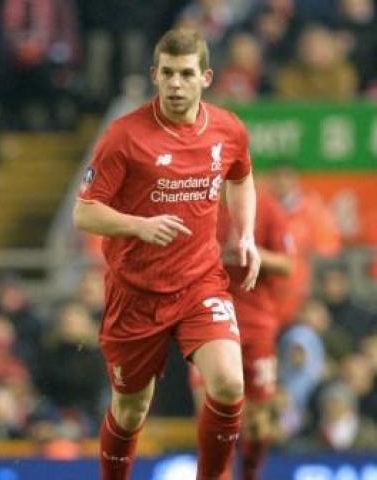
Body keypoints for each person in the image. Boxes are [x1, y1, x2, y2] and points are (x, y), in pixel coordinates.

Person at [73, 28, 261, 480]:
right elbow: (84, 213)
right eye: (168, 74)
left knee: (230, 383)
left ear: (206, 77)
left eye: (186, 74)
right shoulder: (125, 136)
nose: (176, 84)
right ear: (154, 76)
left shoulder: (228, 129)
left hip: (200, 281)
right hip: (136, 291)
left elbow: (241, 177)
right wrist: (139, 225)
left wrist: (246, 234)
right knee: (131, 409)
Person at [191, 186, 293, 480]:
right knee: (212, 418)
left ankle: (250, 472)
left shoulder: (267, 208)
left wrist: (253, 254)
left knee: (258, 422)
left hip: (256, 327)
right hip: (210, 322)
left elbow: (287, 264)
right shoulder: (199, 206)